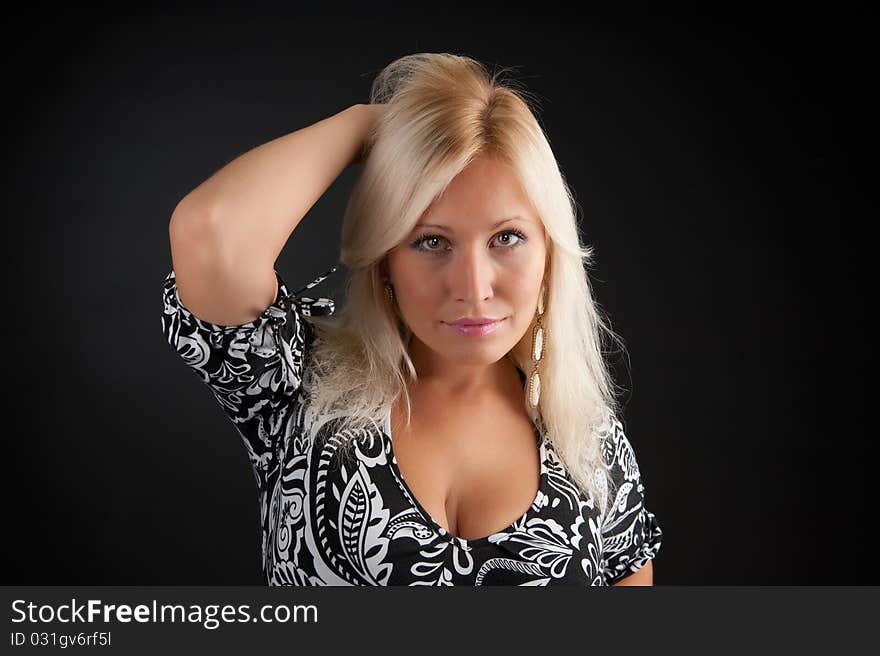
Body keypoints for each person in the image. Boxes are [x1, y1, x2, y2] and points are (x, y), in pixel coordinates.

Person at [160, 53, 663, 586]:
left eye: (507, 238)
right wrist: (367, 126)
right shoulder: (296, 388)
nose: (473, 288)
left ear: (549, 254)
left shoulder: (586, 437)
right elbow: (210, 232)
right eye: (430, 241)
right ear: (386, 264)